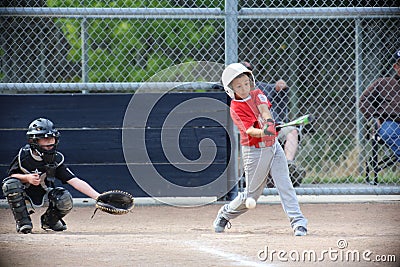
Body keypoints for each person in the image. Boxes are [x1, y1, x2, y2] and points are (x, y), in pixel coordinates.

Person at [213, 63, 308, 236]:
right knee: (251, 196)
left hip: (273, 146)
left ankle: (298, 222)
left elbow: (264, 110)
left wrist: (270, 123)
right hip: (254, 151)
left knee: (285, 184)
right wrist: (264, 131)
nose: (244, 88)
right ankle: (225, 213)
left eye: (246, 83)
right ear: (231, 89)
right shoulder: (236, 107)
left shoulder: (257, 94)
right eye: (238, 86)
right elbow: (249, 130)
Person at [2, 118, 100, 234]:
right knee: (10, 185)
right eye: (44, 139)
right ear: (34, 141)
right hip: (24, 192)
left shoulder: (56, 159)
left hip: (45, 192)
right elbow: (11, 176)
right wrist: (27, 178)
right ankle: (23, 222)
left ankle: (50, 221)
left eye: (51, 138)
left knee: (64, 198)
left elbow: (74, 181)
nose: (49, 142)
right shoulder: (23, 156)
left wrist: (98, 197)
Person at [241, 61, 305, 187]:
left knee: (292, 130)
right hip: (250, 132)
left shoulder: (261, 88)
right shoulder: (231, 92)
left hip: (273, 128)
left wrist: (280, 85)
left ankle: (288, 165)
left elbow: (278, 88)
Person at [359, 50, 400, 162]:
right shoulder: (384, 83)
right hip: (391, 121)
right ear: (396, 67)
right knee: (390, 132)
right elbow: (364, 100)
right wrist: (374, 117)